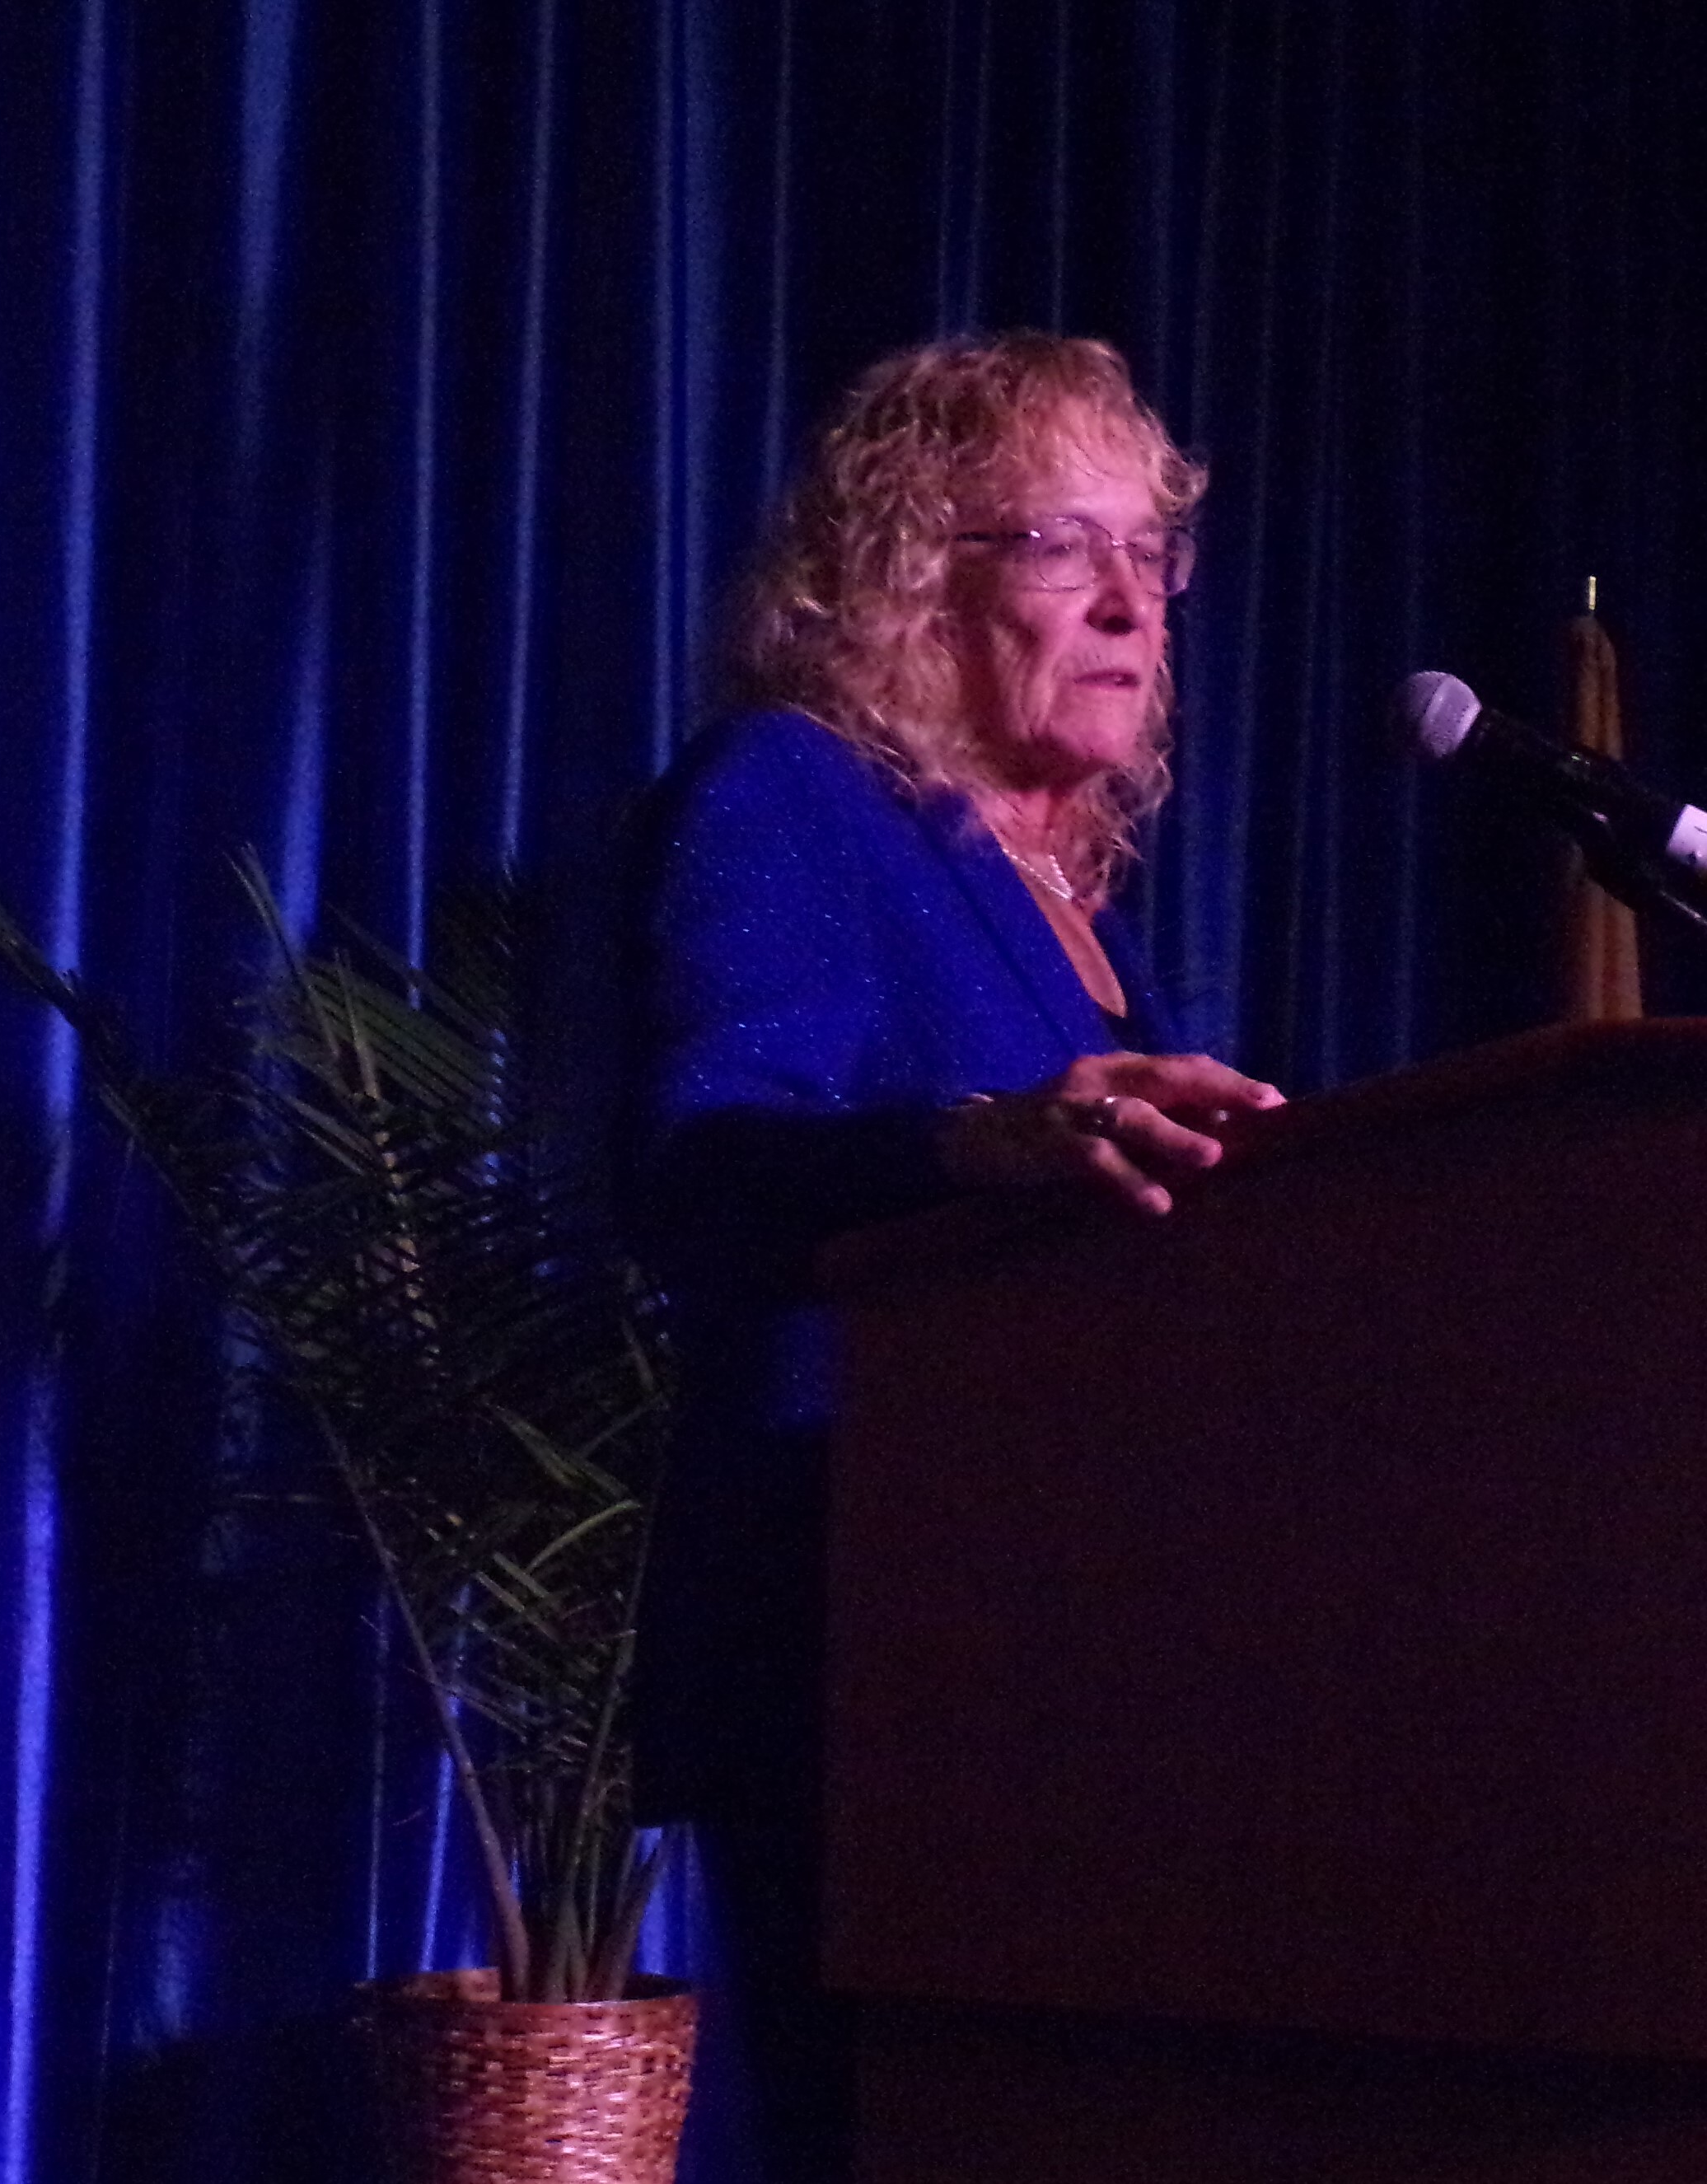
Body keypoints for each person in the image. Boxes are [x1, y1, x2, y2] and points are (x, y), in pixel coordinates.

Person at [624, 330, 1280, 2182]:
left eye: (1152, 552)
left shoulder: (1063, 906)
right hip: (880, 1628)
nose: (1129, 597)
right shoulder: (792, 799)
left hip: (1092, 1638)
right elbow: (700, 1170)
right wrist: (968, 1146)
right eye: (1061, 543)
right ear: (910, 570)